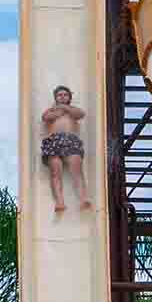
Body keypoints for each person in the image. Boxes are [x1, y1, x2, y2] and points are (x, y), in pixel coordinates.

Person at [40, 85, 91, 213]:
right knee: (55, 171)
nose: (62, 97)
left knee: (77, 170)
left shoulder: (73, 110)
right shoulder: (51, 110)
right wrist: (59, 110)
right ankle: (59, 201)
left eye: (65, 95)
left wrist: (64, 108)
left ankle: (83, 198)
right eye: (59, 95)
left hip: (70, 140)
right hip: (54, 141)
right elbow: (46, 117)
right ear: (55, 98)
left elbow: (80, 114)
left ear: (69, 97)